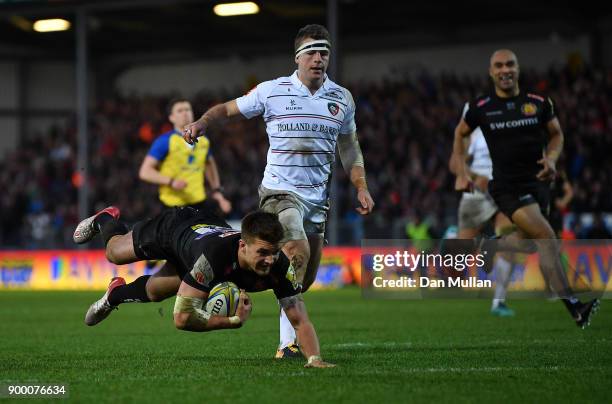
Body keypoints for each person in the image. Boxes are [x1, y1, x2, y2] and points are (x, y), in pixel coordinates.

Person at [182, 24, 375, 357]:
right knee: (295, 249)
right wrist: (202, 122)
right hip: (279, 192)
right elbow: (228, 109)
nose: (318, 59)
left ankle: (252, 287)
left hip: (317, 200)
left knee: (302, 278)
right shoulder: (272, 91)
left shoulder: (342, 98)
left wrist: (361, 186)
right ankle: (288, 344)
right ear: (298, 58)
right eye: (312, 53)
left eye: (324, 53)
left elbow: (350, 148)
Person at [72, 206, 335, 368]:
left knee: (155, 291)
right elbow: (182, 318)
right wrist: (231, 321)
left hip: (203, 231)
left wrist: (315, 359)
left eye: (274, 253)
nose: (269, 260)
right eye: (263, 252)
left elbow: (299, 319)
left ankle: (115, 294)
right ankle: (105, 218)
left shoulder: (279, 266)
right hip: (174, 228)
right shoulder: (214, 258)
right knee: (114, 253)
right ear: (243, 246)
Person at [451, 49, 600, 328]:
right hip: (508, 187)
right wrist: (462, 171)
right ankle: (575, 306)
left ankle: (492, 246)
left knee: (528, 245)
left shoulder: (539, 103)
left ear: (518, 69)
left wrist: (552, 159)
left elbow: (556, 134)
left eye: (510, 64)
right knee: (546, 236)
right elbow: (459, 134)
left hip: (539, 185)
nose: (505, 70)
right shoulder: (480, 107)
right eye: (499, 66)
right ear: (491, 72)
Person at [449, 103, 516, 317]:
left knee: (509, 240)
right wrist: (476, 178)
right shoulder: (471, 133)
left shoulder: (515, 125)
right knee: (461, 251)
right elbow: (454, 165)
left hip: (505, 188)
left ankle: (499, 302)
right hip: (477, 192)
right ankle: (485, 242)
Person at [139, 98, 231, 215]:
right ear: (171, 117)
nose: (185, 113)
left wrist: (217, 192)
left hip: (198, 202)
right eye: (180, 111)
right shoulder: (165, 141)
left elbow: (209, 164)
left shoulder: (204, 141)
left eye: (187, 109)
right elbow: (145, 171)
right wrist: (171, 182)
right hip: (172, 205)